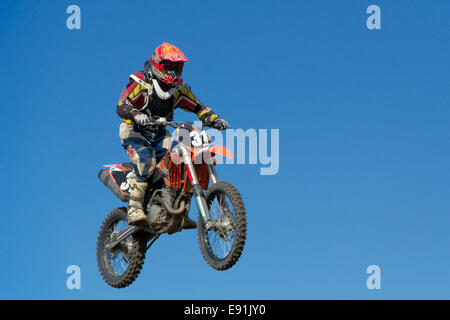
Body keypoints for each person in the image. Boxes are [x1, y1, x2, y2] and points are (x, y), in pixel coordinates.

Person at [116, 42, 228, 226]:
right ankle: (134, 208)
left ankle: (180, 210)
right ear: (158, 65)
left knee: (185, 157)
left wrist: (215, 119)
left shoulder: (178, 89)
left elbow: (198, 107)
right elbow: (122, 106)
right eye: (170, 68)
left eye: (178, 69)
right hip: (134, 131)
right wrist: (136, 115)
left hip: (160, 134)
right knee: (145, 158)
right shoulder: (141, 82)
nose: (174, 74)